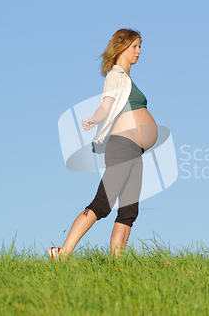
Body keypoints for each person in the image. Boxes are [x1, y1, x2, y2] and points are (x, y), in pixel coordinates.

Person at [49, 28, 158, 259]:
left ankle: (117, 265)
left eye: (140, 47)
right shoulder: (115, 76)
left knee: (129, 212)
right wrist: (94, 120)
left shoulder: (128, 79)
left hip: (135, 150)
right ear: (121, 48)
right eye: (135, 47)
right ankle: (62, 253)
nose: (139, 52)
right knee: (102, 204)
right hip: (122, 146)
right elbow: (106, 106)